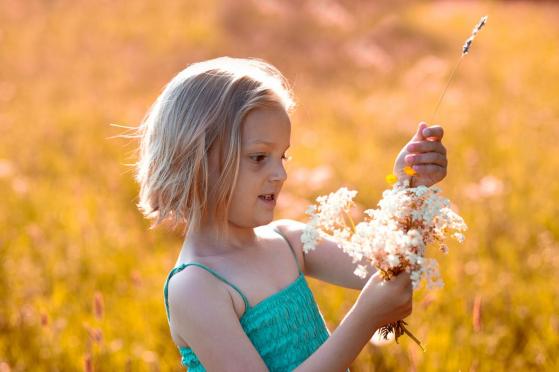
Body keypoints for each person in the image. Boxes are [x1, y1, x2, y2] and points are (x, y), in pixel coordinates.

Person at [133, 56, 447, 371]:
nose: (280, 174)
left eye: (282, 156)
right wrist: (364, 319)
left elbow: (394, 272)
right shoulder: (195, 287)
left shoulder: (288, 240)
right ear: (197, 162)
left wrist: (410, 187)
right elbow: (377, 301)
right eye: (259, 157)